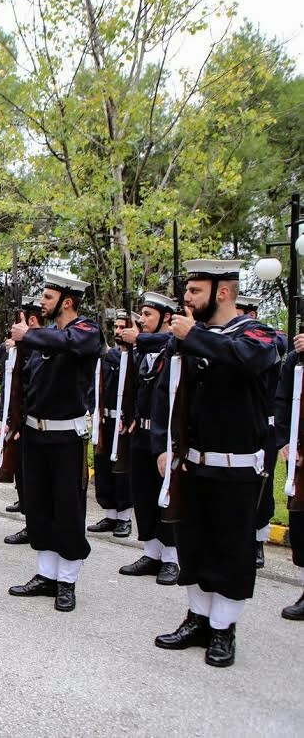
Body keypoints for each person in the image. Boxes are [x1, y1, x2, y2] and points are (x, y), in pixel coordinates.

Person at [152, 260, 277, 667]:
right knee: (195, 544)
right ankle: (198, 618)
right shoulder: (185, 338)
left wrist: (196, 336)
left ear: (222, 293)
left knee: (230, 548)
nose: (185, 298)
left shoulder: (256, 333)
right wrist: (163, 446)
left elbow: (249, 359)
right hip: (192, 463)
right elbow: (164, 393)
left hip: (237, 467)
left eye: (194, 291)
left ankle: (224, 629)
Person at [7, 271, 101, 613]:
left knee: (68, 508)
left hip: (67, 436)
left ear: (67, 301)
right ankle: (46, 575)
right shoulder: (43, 338)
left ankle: (67, 581)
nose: (42, 302)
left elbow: (72, 343)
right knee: (39, 505)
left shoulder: (86, 330)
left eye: (48, 297)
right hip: (35, 433)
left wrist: (30, 334)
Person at [117, 292, 180, 585]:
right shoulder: (142, 349)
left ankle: (171, 558)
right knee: (143, 492)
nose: (141, 321)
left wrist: (138, 339)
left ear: (167, 318)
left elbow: (167, 343)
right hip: (140, 431)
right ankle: (152, 552)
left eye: (148, 315)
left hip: (166, 435)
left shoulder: (174, 347)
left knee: (166, 493)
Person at [237, 294, 287, 569]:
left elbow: (280, 340)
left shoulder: (266, 337)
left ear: (252, 314)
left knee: (262, 485)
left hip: (264, 424)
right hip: (236, 424)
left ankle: (257, 540)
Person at [88, 310, 134, 538]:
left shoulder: (134, 355)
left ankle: (125, 518)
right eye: (115, 327)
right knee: (103, 465)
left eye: (122, 327)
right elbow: (94, 384)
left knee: (121, 469)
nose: (117, 331)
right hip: (103, 417)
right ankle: (110, 513)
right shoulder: (109, 356)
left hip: (123, 420)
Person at [2, 296, 43, 545]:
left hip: (37, 422)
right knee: (24, 476)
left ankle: (39, 526)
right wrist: (11, 420)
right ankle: (30, 523)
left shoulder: (42, 346)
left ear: (32, 320)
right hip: (22, 421)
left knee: (37, 480)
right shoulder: (22, 348)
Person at [274, 331, 304, 621]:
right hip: (299, 454)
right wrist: (284, 439)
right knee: (301, 520)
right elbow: (281, 400)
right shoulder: (295, 360)